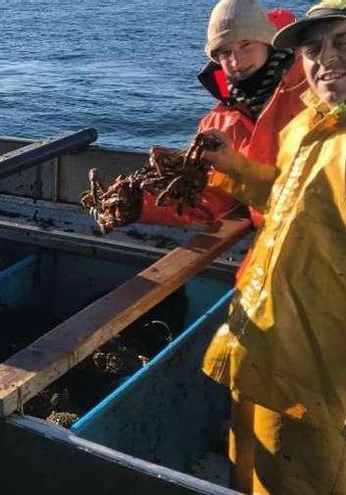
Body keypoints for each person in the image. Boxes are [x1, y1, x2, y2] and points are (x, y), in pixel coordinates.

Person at [201, 2, 346, 492]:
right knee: (247, 465)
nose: (326, 59)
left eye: (343, 43)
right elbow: (287, 197)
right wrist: (233, 165)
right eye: (313, 48)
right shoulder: (311, 125)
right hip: (264, 341)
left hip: (319, 376)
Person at [140, 0, 306, 246]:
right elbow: (211, 200)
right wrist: (141, 207)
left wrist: (234, 165)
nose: (236, 61)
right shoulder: (217, 124)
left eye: (246, 44)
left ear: (268, 41)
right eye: (224, 52)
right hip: (273, 246)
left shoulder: (312, 91)